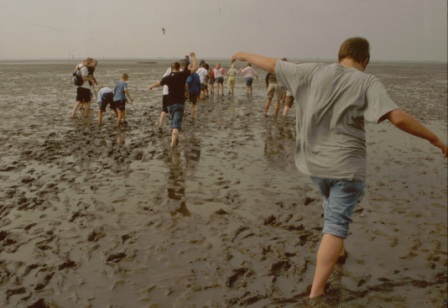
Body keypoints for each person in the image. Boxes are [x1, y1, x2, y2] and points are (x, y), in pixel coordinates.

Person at [231, 37, 448, 302]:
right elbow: (397, 117)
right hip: (346, 167)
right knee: (335, 225)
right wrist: (434, 139)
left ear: (340, 55)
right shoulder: (367, 81)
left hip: (313, 165)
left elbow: (272, 64)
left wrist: (243, 53)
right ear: (365, 60)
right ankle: (316, 292)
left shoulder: (310, 71)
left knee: (330, 201)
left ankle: (340, 252)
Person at [149, 52, 197, 147]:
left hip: (169, 103)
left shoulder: (167, 77)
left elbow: (158, 83)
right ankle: (173, 142)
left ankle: (174, 136)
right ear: (179, 68)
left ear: (171, 68)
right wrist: (194, 57)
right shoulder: (182, 74)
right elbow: (195, 68)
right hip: (179, 103)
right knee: (177, 122)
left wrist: (151, 86)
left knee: (174, 120)